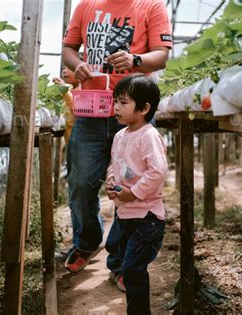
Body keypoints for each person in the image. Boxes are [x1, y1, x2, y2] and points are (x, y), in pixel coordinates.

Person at [62, 0, 172, 274]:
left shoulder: (151, 6)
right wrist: (78, 66)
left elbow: (161, 55)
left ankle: (124, 260)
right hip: (92, 109)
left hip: (133, 111)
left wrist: (135, 60)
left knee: (133, 184)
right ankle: (87, 242)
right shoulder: (86, 5)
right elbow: (68, 49)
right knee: (80, 183)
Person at [104, 74, 167, 314]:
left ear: (144, 108)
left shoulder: (148, 136)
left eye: (123, 102)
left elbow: (158, 171)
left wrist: (135, 193)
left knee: (132, 269)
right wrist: (111, 181)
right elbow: (115, 164)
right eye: (115, 101)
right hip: (126, 214)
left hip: (147, 218)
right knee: (126, 265)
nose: (116, 107)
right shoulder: (120, 136)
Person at [52, 66, 79, 146]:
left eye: (69, 68)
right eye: (63, 68)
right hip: (70, 141)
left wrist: (65, 91)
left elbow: (76, 111)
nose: (64, 71)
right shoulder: (70, 91)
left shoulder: (82, 91)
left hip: (78, 143)